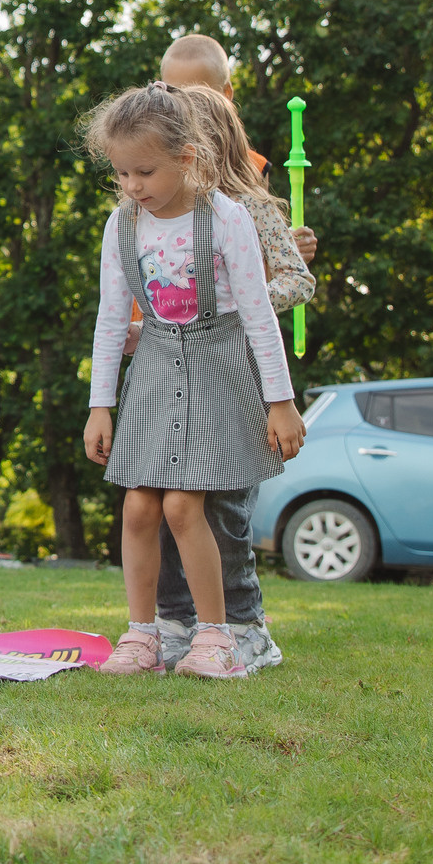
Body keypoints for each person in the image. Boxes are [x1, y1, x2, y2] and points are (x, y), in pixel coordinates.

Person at [82, 83, 306, 680]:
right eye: (122, 173)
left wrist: (280, 402)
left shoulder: (227, 219)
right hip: (154, 372)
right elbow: (111, 320)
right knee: (138, 506)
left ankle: (216, 637)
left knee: (185, 505)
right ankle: (143, 635)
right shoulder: (122, 226)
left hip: (217, 370)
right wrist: (100, 405)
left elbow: (258, 315)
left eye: (145, 172)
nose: (132, 186)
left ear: (186, 157)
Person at [149, 54, 318, 674]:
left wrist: (237, 300)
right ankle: (176, 621)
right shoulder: (165, 215)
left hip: (239, 380)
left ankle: (246, 627)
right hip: (175, 381)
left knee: (224, 506)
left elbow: (298, 280)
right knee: (167, 502)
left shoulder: (255, 209)